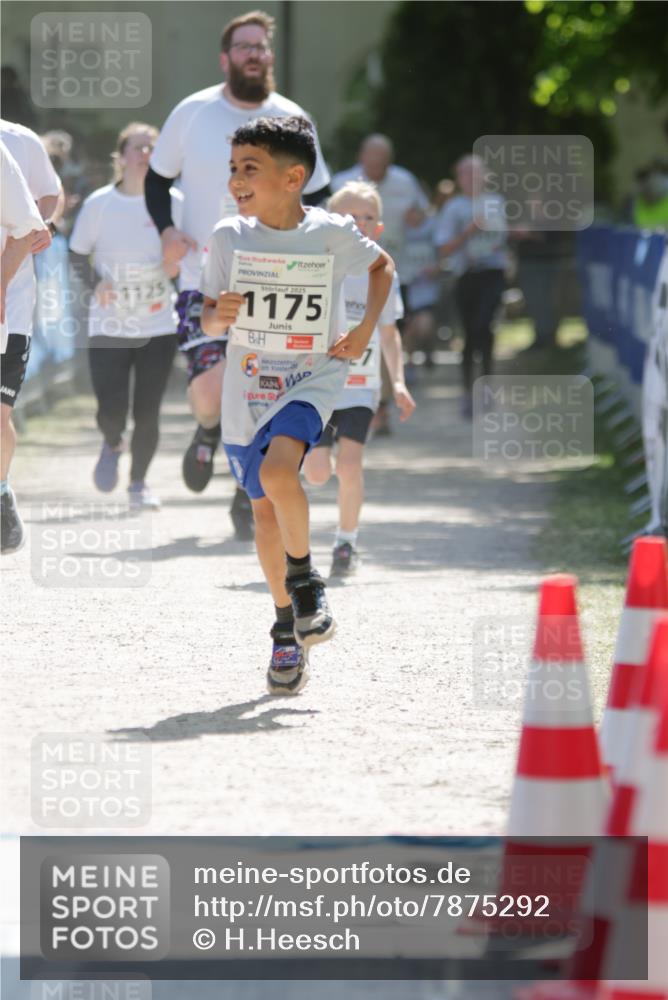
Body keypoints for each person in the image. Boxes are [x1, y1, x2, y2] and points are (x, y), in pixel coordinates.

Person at [200, 117, 394, 695]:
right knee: (263, 512)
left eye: (249, 168)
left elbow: (383, 268)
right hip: (247, 388)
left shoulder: (330, 232)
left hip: (311, 378)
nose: (236, 179)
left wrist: (362, 332)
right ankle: (286, 627)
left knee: (278, 470)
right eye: (233, 168)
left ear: (293, 177)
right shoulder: (228, 238)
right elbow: (207, 316)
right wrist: (221, 315)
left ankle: (306, 579)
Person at [145, 8, 330, 540]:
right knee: (210, 393)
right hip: (202, 278)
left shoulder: (293, 117)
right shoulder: (193, 112)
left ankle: (242, 490)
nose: (255, 54)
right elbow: (158, 181)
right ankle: (208, 432)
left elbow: (317, 195)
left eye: (262, 46)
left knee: (263, 390)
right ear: (226, 58)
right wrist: (166, 232)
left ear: (269, 57)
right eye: (245, 46)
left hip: (276, 282)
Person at [302, 182, 415, 576]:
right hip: (316, 387)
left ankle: (346, 543)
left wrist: (397, 382)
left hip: (359, 388)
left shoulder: (383, 271)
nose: (360, 224)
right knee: (317, 474)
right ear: (333, 223)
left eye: (368, 217)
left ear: (379, 228)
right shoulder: (315, 263)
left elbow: (388, 333)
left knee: (349, 466)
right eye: (350, 217)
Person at [69, 123, 181, 510]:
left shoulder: (173, 203)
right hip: (109, 323)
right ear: (121, 156)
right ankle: (112, 440)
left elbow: (190, 255)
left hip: (158, 323)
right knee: (111, 409)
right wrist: (97, 282)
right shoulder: (100, 204)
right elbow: (76, 254)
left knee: (147, 410)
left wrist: (176, 270)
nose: (146, 153)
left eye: (152, 147)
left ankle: (139, 483)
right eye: (138, 147)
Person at [0, 119, 62, 555]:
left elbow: (32, 224)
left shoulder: (14, 144)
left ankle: (1, 490)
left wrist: (1, 285)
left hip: (10, 306)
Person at [435, 154, 508, 418]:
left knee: (484, 327)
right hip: (465, 276)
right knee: (469, 334)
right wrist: (469, 231)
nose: (473, 179)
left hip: (493, 272)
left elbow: (503, 237)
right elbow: (443, 248)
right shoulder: (453, 208)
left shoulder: (496, 202)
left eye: (478, 173)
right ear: (459, 178)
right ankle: (468, 392)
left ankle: (486, 388)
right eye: (467, 174)